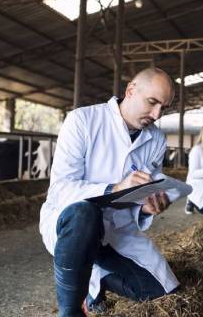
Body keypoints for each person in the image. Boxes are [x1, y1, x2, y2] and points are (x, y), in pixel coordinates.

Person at [39, 68, 179, 317]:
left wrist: (146, 205)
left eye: (164, 108)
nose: (157, 114)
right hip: (72, 226)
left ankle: (96, 276)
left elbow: (142, 191)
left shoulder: (156, 139)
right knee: (85, 213)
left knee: (160, 290)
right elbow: (61, 188)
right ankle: (71, 310)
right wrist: (113, 188)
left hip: (117, 229)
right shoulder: (82, 120)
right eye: (152, 102)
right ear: (131, 90)